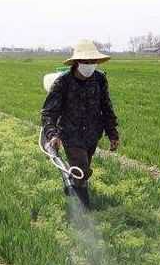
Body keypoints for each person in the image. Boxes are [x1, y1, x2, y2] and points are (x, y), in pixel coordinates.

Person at [41, 39, 119, 208]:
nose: (90, 65)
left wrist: (112, 134)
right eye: (85, 61)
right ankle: (85, 212)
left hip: (92, 134)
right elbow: (48, 112)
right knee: (82, 168)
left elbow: (106, 107)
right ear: (76, 62)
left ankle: (73, 185)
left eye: (93, 62)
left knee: (81, 171)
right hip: (70, 134)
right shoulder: (62, 83)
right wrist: (53, 135)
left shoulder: (99, 80)